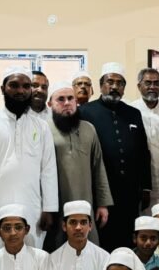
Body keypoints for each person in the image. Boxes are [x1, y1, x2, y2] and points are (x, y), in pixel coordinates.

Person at [0, 67, 58, 254]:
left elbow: (48, 169)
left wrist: (49, 208)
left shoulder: (41, 127)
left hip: (32, 208)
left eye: (26, 86)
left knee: (32, 258)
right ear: (2, 89)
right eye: (14, 85)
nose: (20, 91)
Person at [79, 63, 151, 250]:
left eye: (119, 83)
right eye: (110, 81)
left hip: (129, 190)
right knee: (101, 237)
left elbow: (143, 151)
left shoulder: (133, 113)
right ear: (101, 84)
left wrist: (146, 187)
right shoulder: (86, 112)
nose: (114, 86)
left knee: (127, 236)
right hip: (100, 190)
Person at [46, 82, 112, 250]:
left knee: (89, 249)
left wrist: (103, 204)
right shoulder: (43, 129)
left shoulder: (89, 129)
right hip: (55, 205)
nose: (67, 103)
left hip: (86, 201)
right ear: (50, 104)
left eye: (70, 99)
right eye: (60, 99)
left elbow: (98, 168)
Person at [131, 68, 159, 211]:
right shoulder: (130, 109)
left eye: (156, 83)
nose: (152, 87)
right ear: (139, 86)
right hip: (140, 178)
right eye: (148, 83)